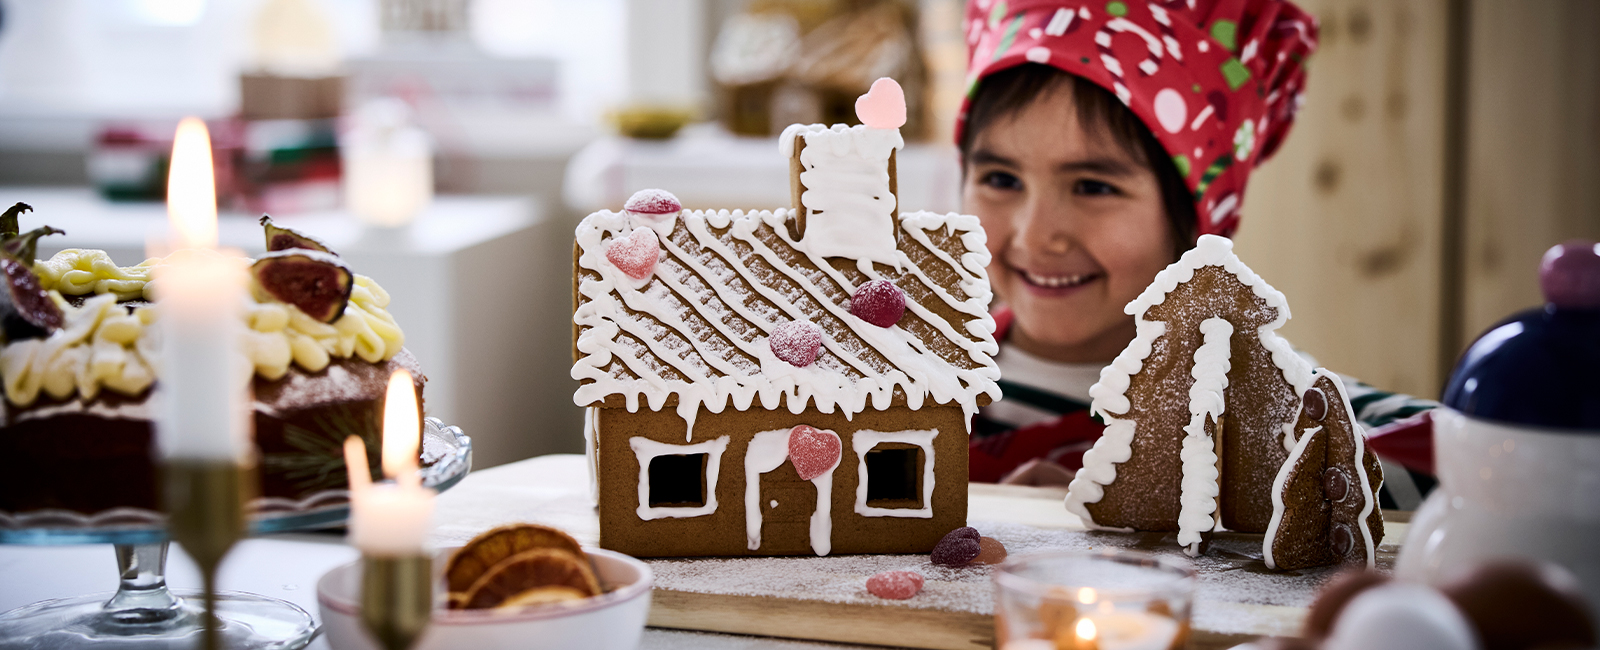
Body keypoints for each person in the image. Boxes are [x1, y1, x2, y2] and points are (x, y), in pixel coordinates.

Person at [957, 0, 1436, 508]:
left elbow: (1489, 453)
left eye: (1093, 187)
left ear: (1196, 221)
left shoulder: (1257, 401)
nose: (1034, 237)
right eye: (1001, 180)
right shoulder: (916, 372)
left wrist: (1206, 489)